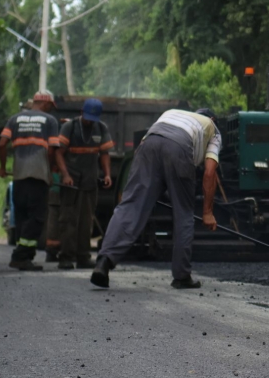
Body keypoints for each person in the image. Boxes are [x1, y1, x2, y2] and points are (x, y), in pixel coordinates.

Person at [91, 108, 221, 289]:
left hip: (148, 146)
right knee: (183, 214)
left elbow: (144, 148)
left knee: (130, 206)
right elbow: (209, 172)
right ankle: (182, 276)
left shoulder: (172, 113)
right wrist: (207, 212)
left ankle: (103, 262)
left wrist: (148, 189)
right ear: (212, 118)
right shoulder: (213, 129)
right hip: (180, 148)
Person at [0, 90, 71, 271]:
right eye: (51, 106)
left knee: (22, 216)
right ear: (46, 104)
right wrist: (49, 172)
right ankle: (21, 256)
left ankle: (25, 256)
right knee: (37, 217)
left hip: (19, 175)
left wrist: (2, 167)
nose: (51, 110)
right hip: (38, 176)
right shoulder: (50, 121)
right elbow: (52, 150)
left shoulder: (14, 119)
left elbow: (1, 144)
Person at [55, 98, 114, 269]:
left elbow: (104, 154)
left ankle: (83, 256)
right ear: (82, 113)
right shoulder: (70, 127)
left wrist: (107, 174)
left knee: (86, 221)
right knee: (68, 219)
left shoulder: (101, 128)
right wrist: (65, 175)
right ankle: (66, 257)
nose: (90, 122)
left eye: (93, 119)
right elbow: (59, 153)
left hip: (90, 181)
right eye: (88, 118)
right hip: (71, 182)